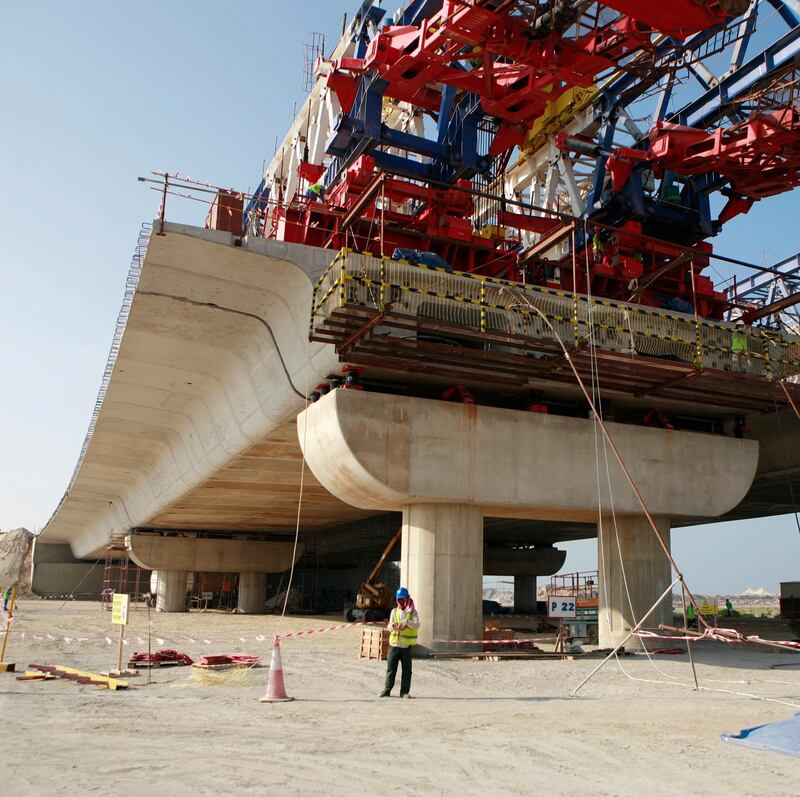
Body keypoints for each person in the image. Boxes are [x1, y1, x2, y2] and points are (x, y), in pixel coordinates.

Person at [380, 587, 420, 698]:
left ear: (407, 599)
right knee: (391, 669)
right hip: (393, 646)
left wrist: (407, 623)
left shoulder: (413, 612)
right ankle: (387, 690)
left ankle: (404, 692)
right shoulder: (394, 611)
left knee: (407, 670)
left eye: (402, 599)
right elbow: (389, 625)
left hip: (406, 647)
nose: (400, 602)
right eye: (399, 599)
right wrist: (392, 626)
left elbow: (417, 624)